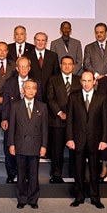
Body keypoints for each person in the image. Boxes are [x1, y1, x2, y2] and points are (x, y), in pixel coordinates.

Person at [66, 71, 107, 209]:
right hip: (77, 140)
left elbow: (105, 121)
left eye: (89, 80)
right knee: (78, 171)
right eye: (84, 80)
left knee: (95, 172)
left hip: (95, 140)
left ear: (94, 82)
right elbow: (70, 121)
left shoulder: (102, 97)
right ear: (80, 82)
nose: (86, 83)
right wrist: (69, 138)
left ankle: (95, 198)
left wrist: (104, 140)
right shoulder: (73, 97)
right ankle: (79, 197)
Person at [7, 79, 48, 209]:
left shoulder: (42, 106)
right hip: (20, 145)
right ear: (23, 90)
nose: (30, 90)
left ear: (36, 91)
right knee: (21, 173)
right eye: (28, 88)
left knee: (33, 174)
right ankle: (21, 198)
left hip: (35, 145)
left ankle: (33, 199)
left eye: (33, 88)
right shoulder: (15, 105)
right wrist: (11, 144)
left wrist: (44, 146)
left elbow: (44, 129)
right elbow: (12, 127)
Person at [1, 56, 42, 184]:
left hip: (30, 121)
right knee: (10, 147)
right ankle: (11, 173)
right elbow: (6, 102)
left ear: (29, 68)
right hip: (13, 120)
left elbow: (39, 103)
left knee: (29, 149)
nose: (23, 69)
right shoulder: (9, 82)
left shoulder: (36, 83)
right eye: (21, 66)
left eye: (26, 66)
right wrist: (4, 119)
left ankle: (28, 175)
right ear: (17, 68)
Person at [47, 55, 81, 183]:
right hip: (57, 120)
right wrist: (60, 112)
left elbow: (82, 99)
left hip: (76, 121)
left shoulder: (79, 80)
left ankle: (74, 173)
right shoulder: (53, 79)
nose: (67, 66)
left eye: (69, 64)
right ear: (60, 65)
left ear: (73, 66)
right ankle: (56, 174)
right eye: (64, 64)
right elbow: (50, 98)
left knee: (75, 149)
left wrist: (74, 114)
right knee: (57, 150)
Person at [25, 32, 60, 102]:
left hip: (49, 94)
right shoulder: (27, 56)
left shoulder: (53, 55)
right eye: (38, 40)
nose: (40, 42)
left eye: (43, 40)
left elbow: (56, 75)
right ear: (34, 41)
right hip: (32, 93)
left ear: (46, 42)